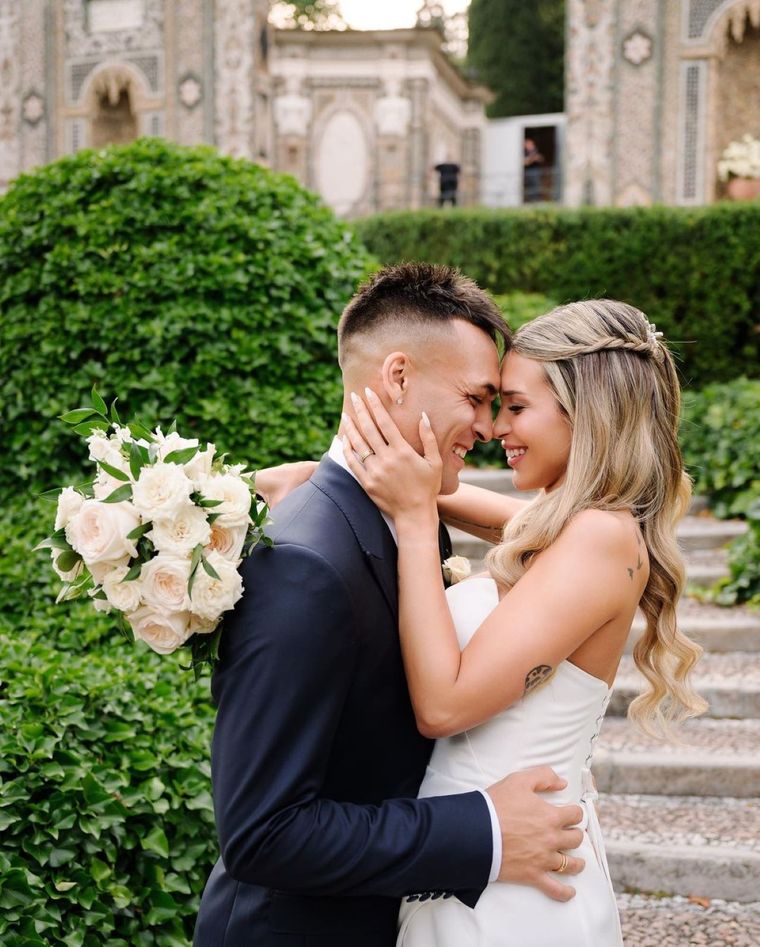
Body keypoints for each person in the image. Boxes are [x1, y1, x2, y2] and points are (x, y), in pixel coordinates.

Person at [193, 264, 586, 947]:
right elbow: (263, 832)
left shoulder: (409, 513)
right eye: (477, 396)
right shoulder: (304, 564)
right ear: (398, 377)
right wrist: (485, 829)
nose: (488, 426)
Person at [340, 298, 707, 946]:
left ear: (583, 411)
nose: (493, 426)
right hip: (480, 858)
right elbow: (469, 503)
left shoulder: (599, 537)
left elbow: (445, 705)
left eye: (515, 406)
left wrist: (416, 524)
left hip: (511, 892)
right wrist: (341, 469)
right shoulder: (573, 528)